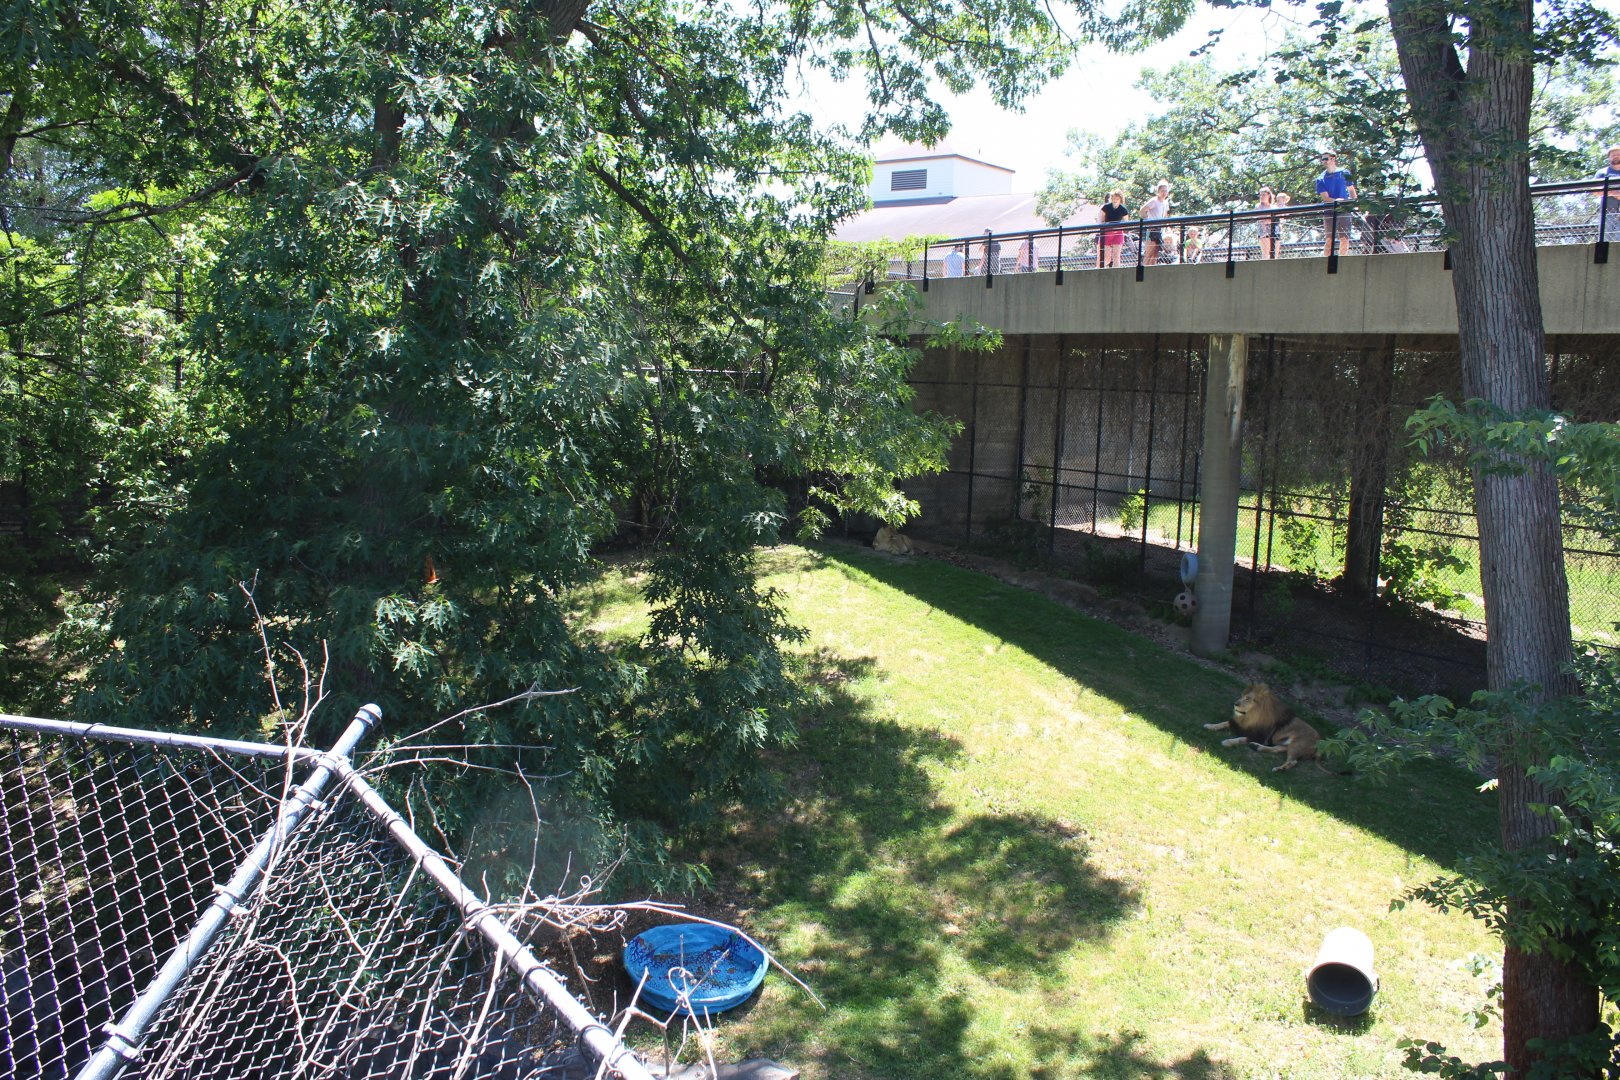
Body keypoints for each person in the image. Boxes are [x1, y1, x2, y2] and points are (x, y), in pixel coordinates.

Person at [1315, 151, 1358, 257]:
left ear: (1333, 159)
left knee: (1345, 238)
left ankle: (1343, 260)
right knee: (1329, 238)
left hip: (1344, 209)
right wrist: (1337, 200)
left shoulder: (1344, 172)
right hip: (1330, 210)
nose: (1323, 161)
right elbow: (1325, 198)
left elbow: (1351, 190)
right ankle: (1326, 261)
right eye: (1322, 159)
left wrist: (1353, 203)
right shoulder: (1320, 179)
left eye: (1326, 159)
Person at [1139, 180, 1173, 265]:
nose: (1164, 193)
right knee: (1149, 253)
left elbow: (1165, 216)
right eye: (1162, 191)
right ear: (1158, 191)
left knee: (1155, 253)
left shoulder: (1165, 203)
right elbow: (1142, 211)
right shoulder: (1154, 201)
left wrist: (1168, 227)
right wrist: (1148, 222)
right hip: (1151, 229)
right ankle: (1143, 272)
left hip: (1159, 230)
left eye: (1166, 191)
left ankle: (1151, 271)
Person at [1098, 190, 1128, 268]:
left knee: (1116, 255)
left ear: (1120, 200)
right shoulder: (1106, 207)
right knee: (1106, 256)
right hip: (1106, 233)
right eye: (1113, 198)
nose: (1115, 200)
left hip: (1118, 233)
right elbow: (1101, 220)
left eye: (1117, 199)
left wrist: (1120, 229)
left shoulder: (1123, 209)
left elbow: (1126, 222)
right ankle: (1105, 270)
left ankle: (1116, 272)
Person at [1597, 144, 1620, 242]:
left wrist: (1608, 190)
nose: (1615, 156)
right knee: (1605, 240)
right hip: (1607, 211)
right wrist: (1616, 193)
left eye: (1618, 154)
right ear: (1609, 157)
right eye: (1613, 155)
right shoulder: (1602, 172)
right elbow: (1596, 191)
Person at [1256, 186, 1278, 259]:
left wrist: (1268, 219)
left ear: (1268, 195)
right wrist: (1269, 220)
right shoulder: (1258, 206)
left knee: (1275, 252)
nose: (1261, 197)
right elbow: (1261, 218)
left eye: (1264, 195)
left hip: (1275, 230)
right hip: (1263, 230)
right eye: (1260, 195)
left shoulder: (1274, 207)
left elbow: (1278, 218)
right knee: (1265, 253)